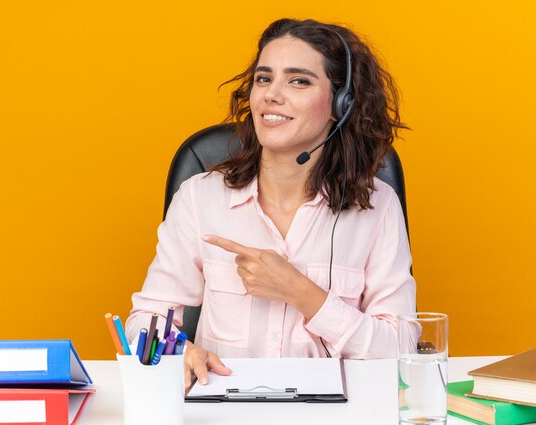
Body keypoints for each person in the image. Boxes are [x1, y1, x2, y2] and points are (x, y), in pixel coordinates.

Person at [125, 18, 415, 387]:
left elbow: (402, 347)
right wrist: (178, 353)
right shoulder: (201, 197)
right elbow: (143, 321)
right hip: (223, 408)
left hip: (335, 413)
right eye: (264, 78)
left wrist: (300, 291)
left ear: (340, 105)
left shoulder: (378, 206)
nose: (271, 95)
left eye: (299, 81)